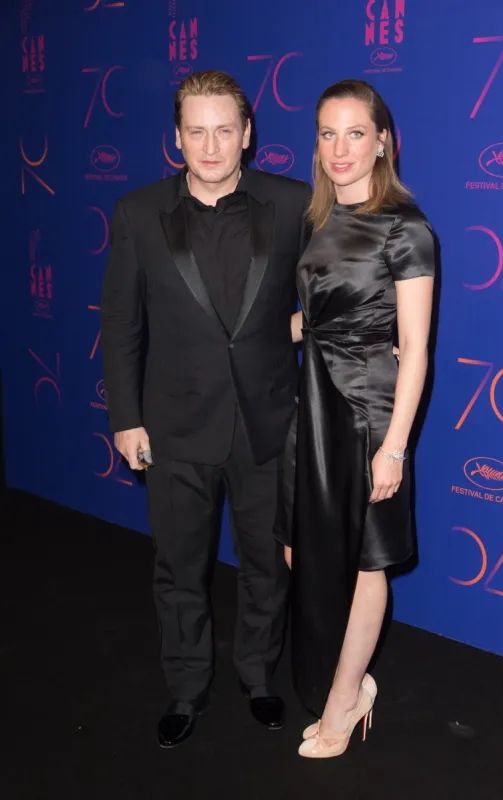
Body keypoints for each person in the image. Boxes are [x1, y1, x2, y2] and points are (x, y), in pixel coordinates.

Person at [100, 70, 311, 748]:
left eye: (226, 130)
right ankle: (187, 687)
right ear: (177, 139)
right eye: (197, 131)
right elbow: (121, 324)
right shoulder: (137, 213)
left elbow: (334, 287)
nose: (212, 145)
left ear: (248, 133)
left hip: (266, 425)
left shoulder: (295, 203)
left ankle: (258, 676)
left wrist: (306, 325)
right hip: (174, 427)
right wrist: (125, 418)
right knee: (179, 569)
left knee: (264, 565)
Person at [278, 79, 435, 758]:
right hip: (311, 407)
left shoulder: (406, 228)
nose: (339, 149)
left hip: (370, 412)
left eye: (354, 133)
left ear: (382, 143)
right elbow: (316, 317)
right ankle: (344, 679)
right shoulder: (316, 221)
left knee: (368, 561)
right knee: (303, 550)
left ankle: (346, 700)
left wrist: (395, 448)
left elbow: (417, 349)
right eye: (326, 133)